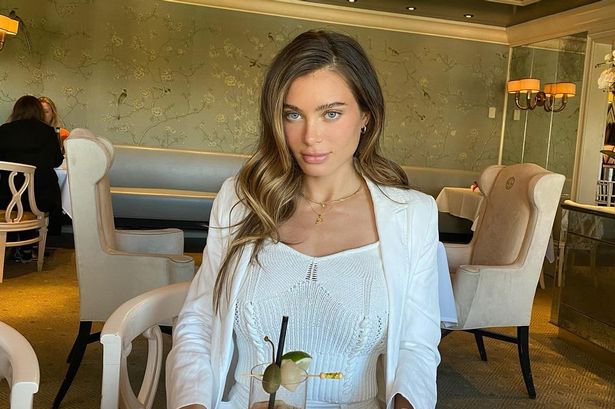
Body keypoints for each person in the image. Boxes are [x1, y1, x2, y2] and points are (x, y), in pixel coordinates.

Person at [167, 30, 441, 409]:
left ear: (366, 115)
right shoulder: (241, 200)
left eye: (331, 113)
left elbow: (416, 346)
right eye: (293, 114)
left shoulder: (413, 215)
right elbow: (199, 324)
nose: (310, 136)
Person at [0, 95, 64, 259]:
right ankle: (26, 248)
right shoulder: (47, 132)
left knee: (15, 196)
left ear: (16, 111)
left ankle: (11, 245)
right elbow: (57, 161)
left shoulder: (3, 131)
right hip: (39, 199)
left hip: (6, 199)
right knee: (41, 189)